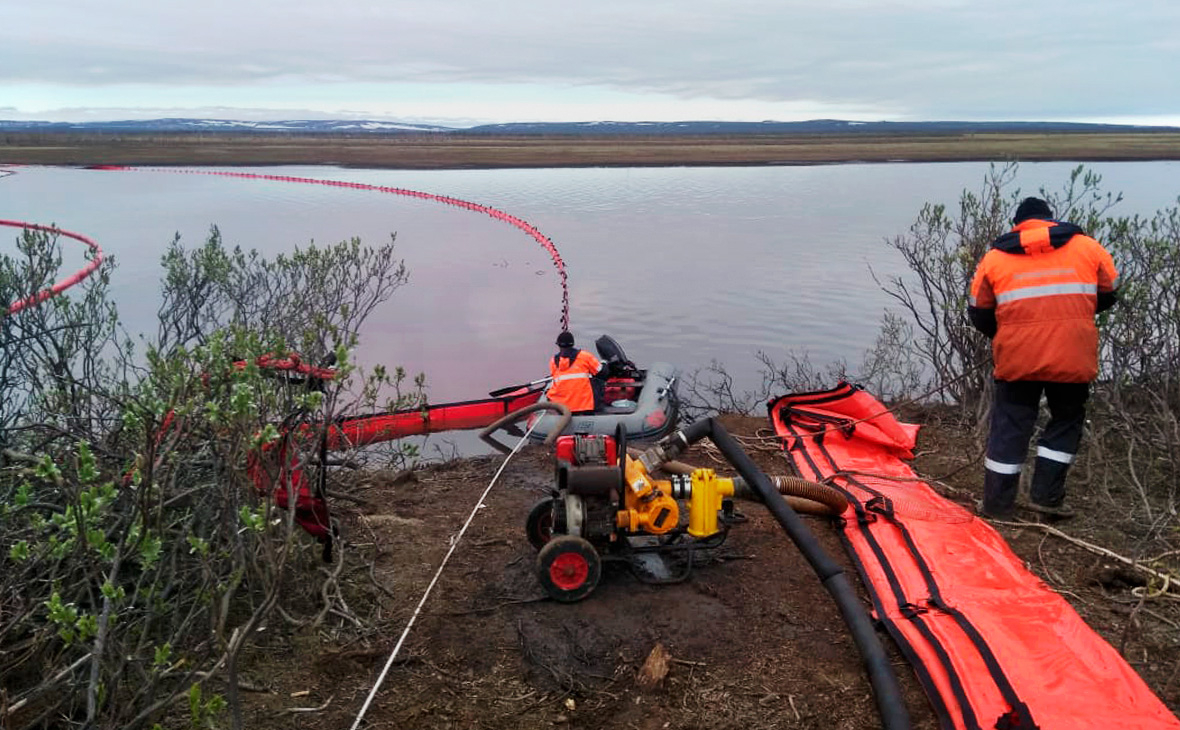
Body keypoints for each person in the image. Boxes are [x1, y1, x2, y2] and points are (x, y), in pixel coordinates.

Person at [968, 197, 1119, 519]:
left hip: (1017, 358)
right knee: (1065, 420)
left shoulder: (994, 258)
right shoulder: (1087, 247)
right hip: (1072, 354)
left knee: (1010, 425)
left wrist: (1008, 333)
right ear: (1051, 220)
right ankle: (1046, 499)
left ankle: (997, 506)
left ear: (1017, 224)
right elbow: (1107, 294)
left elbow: (979, 313)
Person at [546, 331, 605, 414]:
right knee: (597, 382)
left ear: (558, 345)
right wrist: (604, 363)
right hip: (584, 405)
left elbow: (555, 377)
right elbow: (602, 373)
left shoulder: (553, 361)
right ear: (573, 343)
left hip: (560, 407)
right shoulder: (585, 356)